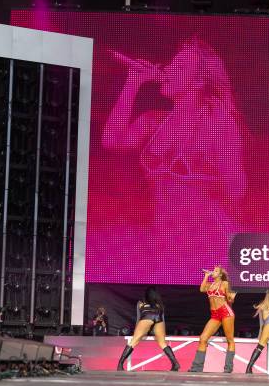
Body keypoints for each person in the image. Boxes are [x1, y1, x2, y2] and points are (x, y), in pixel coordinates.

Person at [102, 38, 247, 279]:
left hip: (207, 243)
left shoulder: (216, 122)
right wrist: (133, 82)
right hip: (166, 240)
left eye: (178, 67)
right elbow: (112, 141)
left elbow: (237, 189)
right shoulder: (153, 121)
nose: (167, 69)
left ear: (199, 80)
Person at [117, 287, 180, 371]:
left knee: (134, 341)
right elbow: (162, 318)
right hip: (158, 319)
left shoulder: (141, 302)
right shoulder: (159, 304)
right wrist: (162, 332)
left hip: (147, 317)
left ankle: (120, 364)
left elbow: (139, 318)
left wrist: (137, 330)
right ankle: (175, 363)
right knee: (162, 343)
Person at [188, 266, 236, 373]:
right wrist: (206, 276)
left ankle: (228, 369)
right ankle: (197, 368)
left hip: (225, 312)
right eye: (213, 270)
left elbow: (229, 299)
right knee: (203, 338)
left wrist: (231, 298)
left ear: (220, 274)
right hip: (215, 315)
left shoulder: (224, 284)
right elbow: (201, 289)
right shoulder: (210, 285)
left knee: (230, 340)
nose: (213, 272)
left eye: (215, 271)